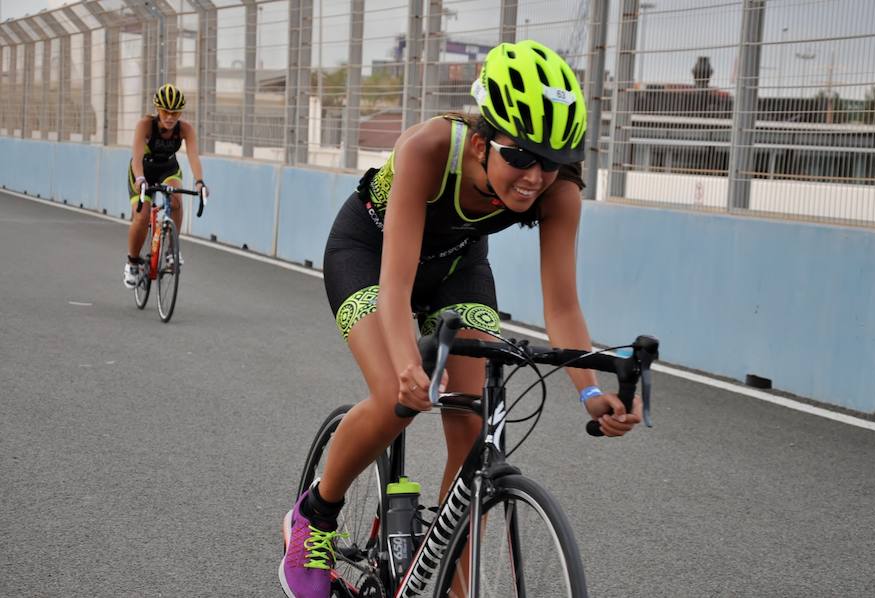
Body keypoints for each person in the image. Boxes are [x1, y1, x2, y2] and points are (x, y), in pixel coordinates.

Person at [279, 40, 643, 597]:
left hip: (457, 268)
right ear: (481, 142)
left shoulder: (558, 190)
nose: (535, 176)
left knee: (473, 426)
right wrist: (407, 366)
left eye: (553, 162)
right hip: (371, 256)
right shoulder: (429, 148)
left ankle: (454, 576)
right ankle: (315, 517)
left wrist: (591, 394)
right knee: (396, 399)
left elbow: (563, 305)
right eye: (520, 155)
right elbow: (396, 289)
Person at [123, 83, 208, 288]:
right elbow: (136, 158)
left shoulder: (185, 129)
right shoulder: (145, 125)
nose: (170, 117)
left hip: (168, 169)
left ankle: (171, 252)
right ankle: (132, 262)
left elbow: (193, 156)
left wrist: (199, 182)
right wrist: (140, 179)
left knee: (176, 200)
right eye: (166, 111)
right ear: (157, 110)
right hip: (143, 169)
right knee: (142, 216)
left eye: (175, 112)